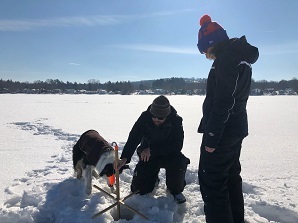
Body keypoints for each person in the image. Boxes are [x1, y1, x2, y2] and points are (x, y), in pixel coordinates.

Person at [196, 15, 259, 223]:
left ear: (210, 44)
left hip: (223, 131)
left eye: (204, 50)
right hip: (235, 128)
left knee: (212, 183)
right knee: (230, 178)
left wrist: (212, 135)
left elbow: (223, 100)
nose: (206, 55)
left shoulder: (226, 58)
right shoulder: (239, 55)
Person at [115, 95, 190, 204]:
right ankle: (153, 180)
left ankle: (175, 190)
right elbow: (134, 137)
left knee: (179, 162)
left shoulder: (176, 120)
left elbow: (177, 145)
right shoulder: (145, 117)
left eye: (160, 118)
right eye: (154, 116)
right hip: (147, 155)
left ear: (167, 116)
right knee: (139, 190)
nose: (156, 119)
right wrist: (125, 158)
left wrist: (153, 149)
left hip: (169, 153)